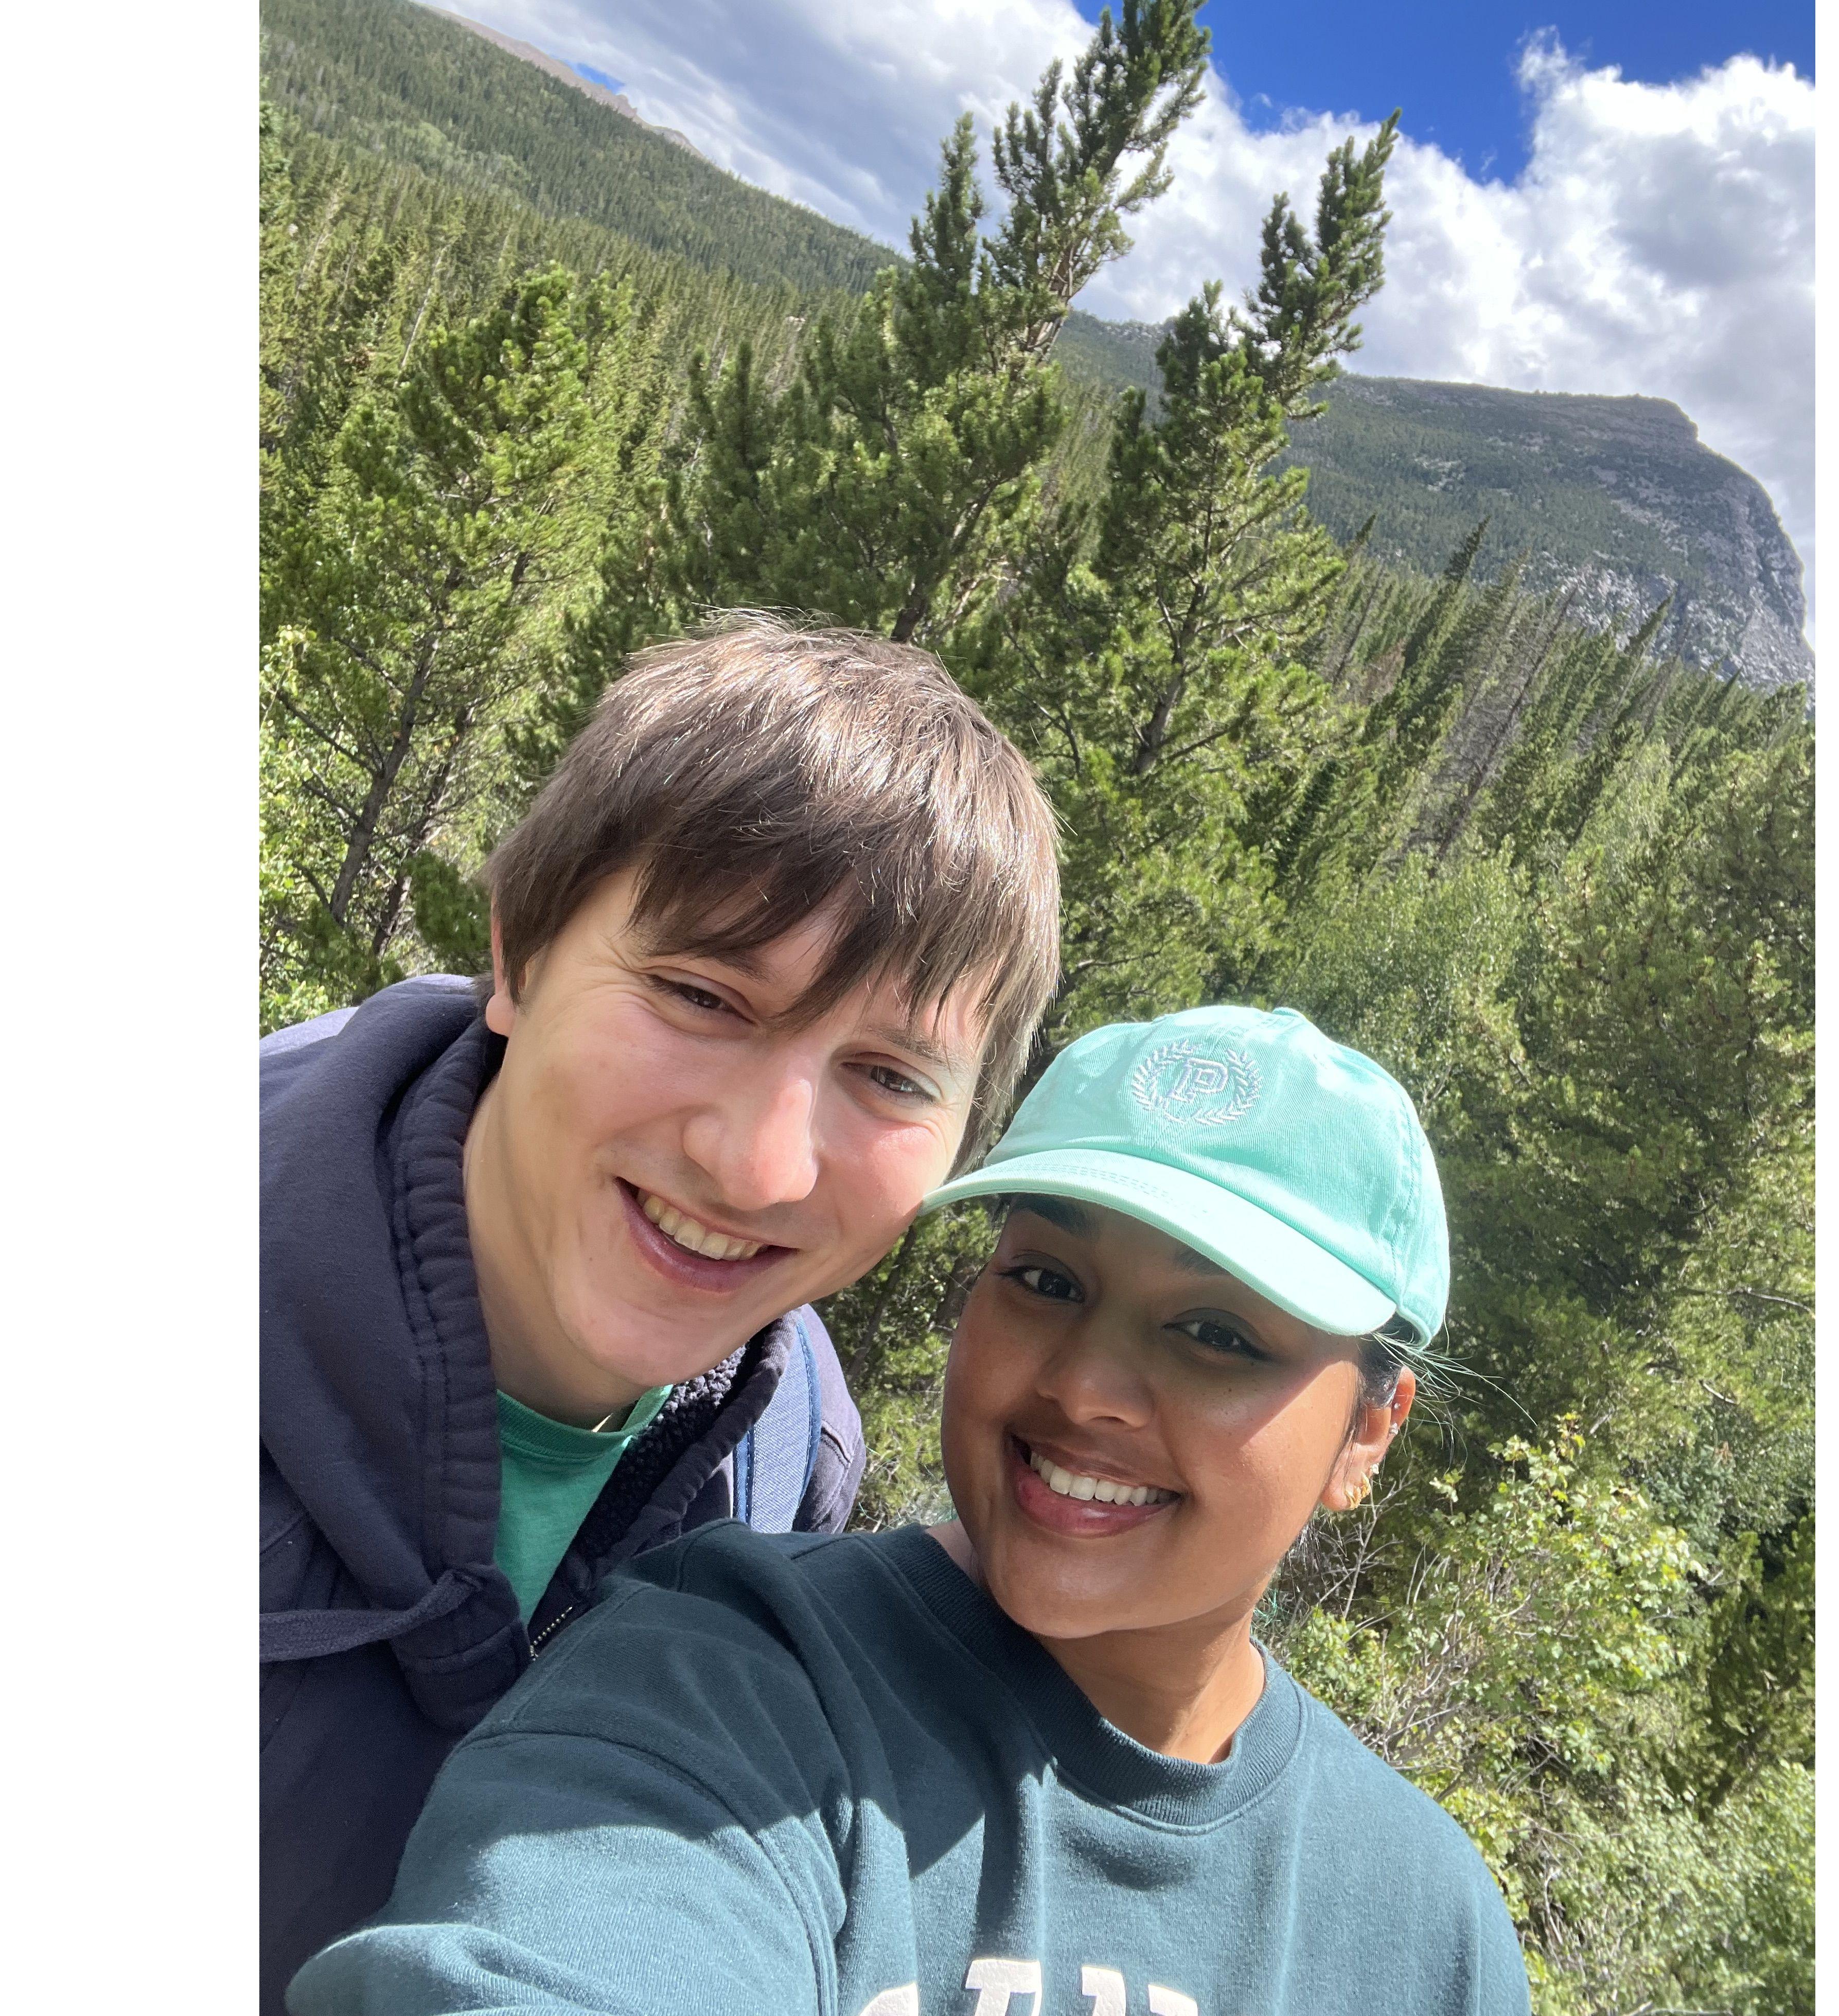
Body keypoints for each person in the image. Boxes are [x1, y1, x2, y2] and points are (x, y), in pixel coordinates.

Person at [289, 1004, 1532, 2016]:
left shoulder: (1426, 1923)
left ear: (1368, 1429)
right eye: (1047, 1280)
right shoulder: (721, 1686)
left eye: (1216, 1334)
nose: (1085, 1387)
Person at [260, 617, 1063, 2012]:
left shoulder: (786, 1449)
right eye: (702, 994)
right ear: (517, 956)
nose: (760, 1164)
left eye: (888, 1077)